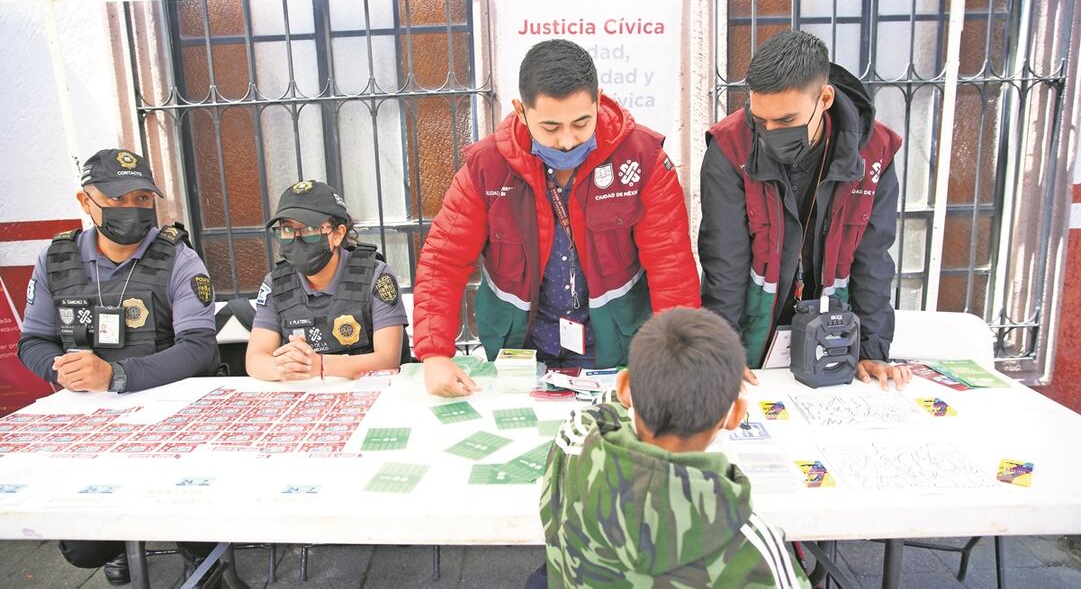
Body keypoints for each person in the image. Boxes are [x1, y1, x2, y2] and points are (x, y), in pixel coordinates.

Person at [413, 38, 699, 397]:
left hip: (616, 348)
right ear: (521, 111)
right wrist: (434, 353)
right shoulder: (487, 168)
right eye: (550, 127)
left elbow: (670, 264)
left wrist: (678, 350)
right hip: (520, 351)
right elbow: (444, 260)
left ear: (599, 100)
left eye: (582, 122)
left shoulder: (642, 159)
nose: (567, 141)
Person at [16, 148, 220, 584]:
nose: (132, 208)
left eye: (142, 199)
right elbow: (32, 340)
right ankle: (123, 541)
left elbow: (200, 348)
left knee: (192, 513)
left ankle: (197, 554)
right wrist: (59, 369)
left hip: (169, 415)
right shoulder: (55, 259)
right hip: (88, 420)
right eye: (117, 198)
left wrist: (116, 375)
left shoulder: (179, 259)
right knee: (84, 546)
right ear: (85, 200)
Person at [535, 307, 809, 588]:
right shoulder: (752, 547)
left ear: (625, 388)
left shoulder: (574, 451)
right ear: (736, 415)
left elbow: (593, 414)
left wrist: (645, 384)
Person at [699, 30, 911, 389]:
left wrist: (873, 349)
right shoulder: (731, 147)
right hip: (756, 326)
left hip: (833, 327)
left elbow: (873, 258)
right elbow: (724, 262)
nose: (770, 131)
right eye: (760, 119)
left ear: (824, 98)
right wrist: (721, 352)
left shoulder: (874, 152)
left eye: (785, 121)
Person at [246, 180, 408, 381]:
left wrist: (321, 365)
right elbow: (255, 359)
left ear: (338, 234)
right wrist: (281, 367)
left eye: (310, 230)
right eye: (287, 230)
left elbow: (388, 359)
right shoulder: (276, 284)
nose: (297, 238)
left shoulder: (376, 276)